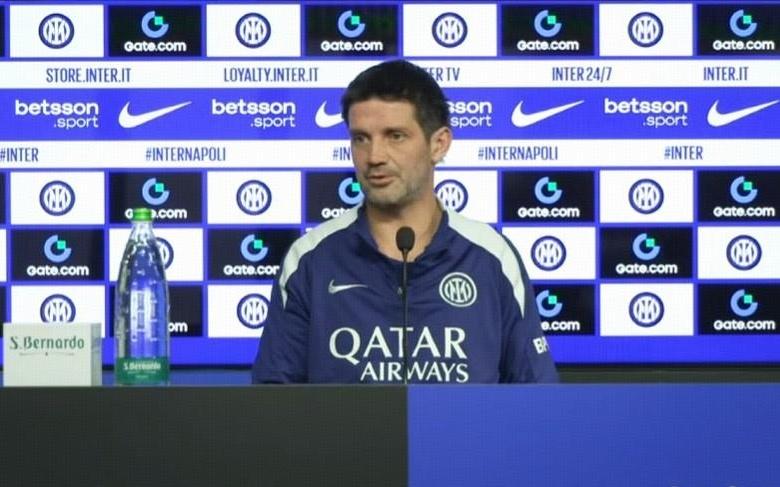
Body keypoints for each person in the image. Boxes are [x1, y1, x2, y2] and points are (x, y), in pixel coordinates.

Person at [252, 60, 558, 383]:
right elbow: (274, 399)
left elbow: (536, 399)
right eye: (361, 139)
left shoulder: (492, 257)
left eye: (395, 136)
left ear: (439, 144)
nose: (374, 157)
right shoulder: (310, 259)